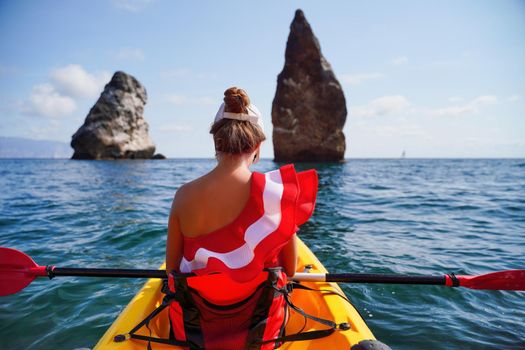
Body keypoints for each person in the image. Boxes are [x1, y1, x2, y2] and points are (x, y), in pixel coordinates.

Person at [165, 87, 318, 349]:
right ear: (257, 146)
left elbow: (172, 269)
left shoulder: (184, 196)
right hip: (260, 333)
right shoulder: (277, 195)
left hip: (198, 331)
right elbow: (290, 271)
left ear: (216, 142)